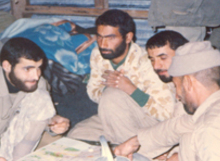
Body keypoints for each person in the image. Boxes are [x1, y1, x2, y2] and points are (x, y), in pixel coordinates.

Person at [144, 30, 220, 161]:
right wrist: (168, 148)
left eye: (163, 58)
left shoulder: (208, 79)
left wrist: (183, 155)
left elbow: (199, 124)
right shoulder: (181, 77)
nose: (156, 66)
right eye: (152, 59)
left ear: (180, 56)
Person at [67, 9, 175, 144]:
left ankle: (133, 147)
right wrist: (110, 88)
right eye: (99, 37)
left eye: (111, 38)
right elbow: (93, 92)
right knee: (76, 136)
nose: (103, 44)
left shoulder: (148, 62)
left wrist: (131, 90)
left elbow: (166, 113)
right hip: (114, 114)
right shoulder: (98, 54)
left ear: (128, 37)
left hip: (149, 120)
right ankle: (122, 143)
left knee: (112, 96)